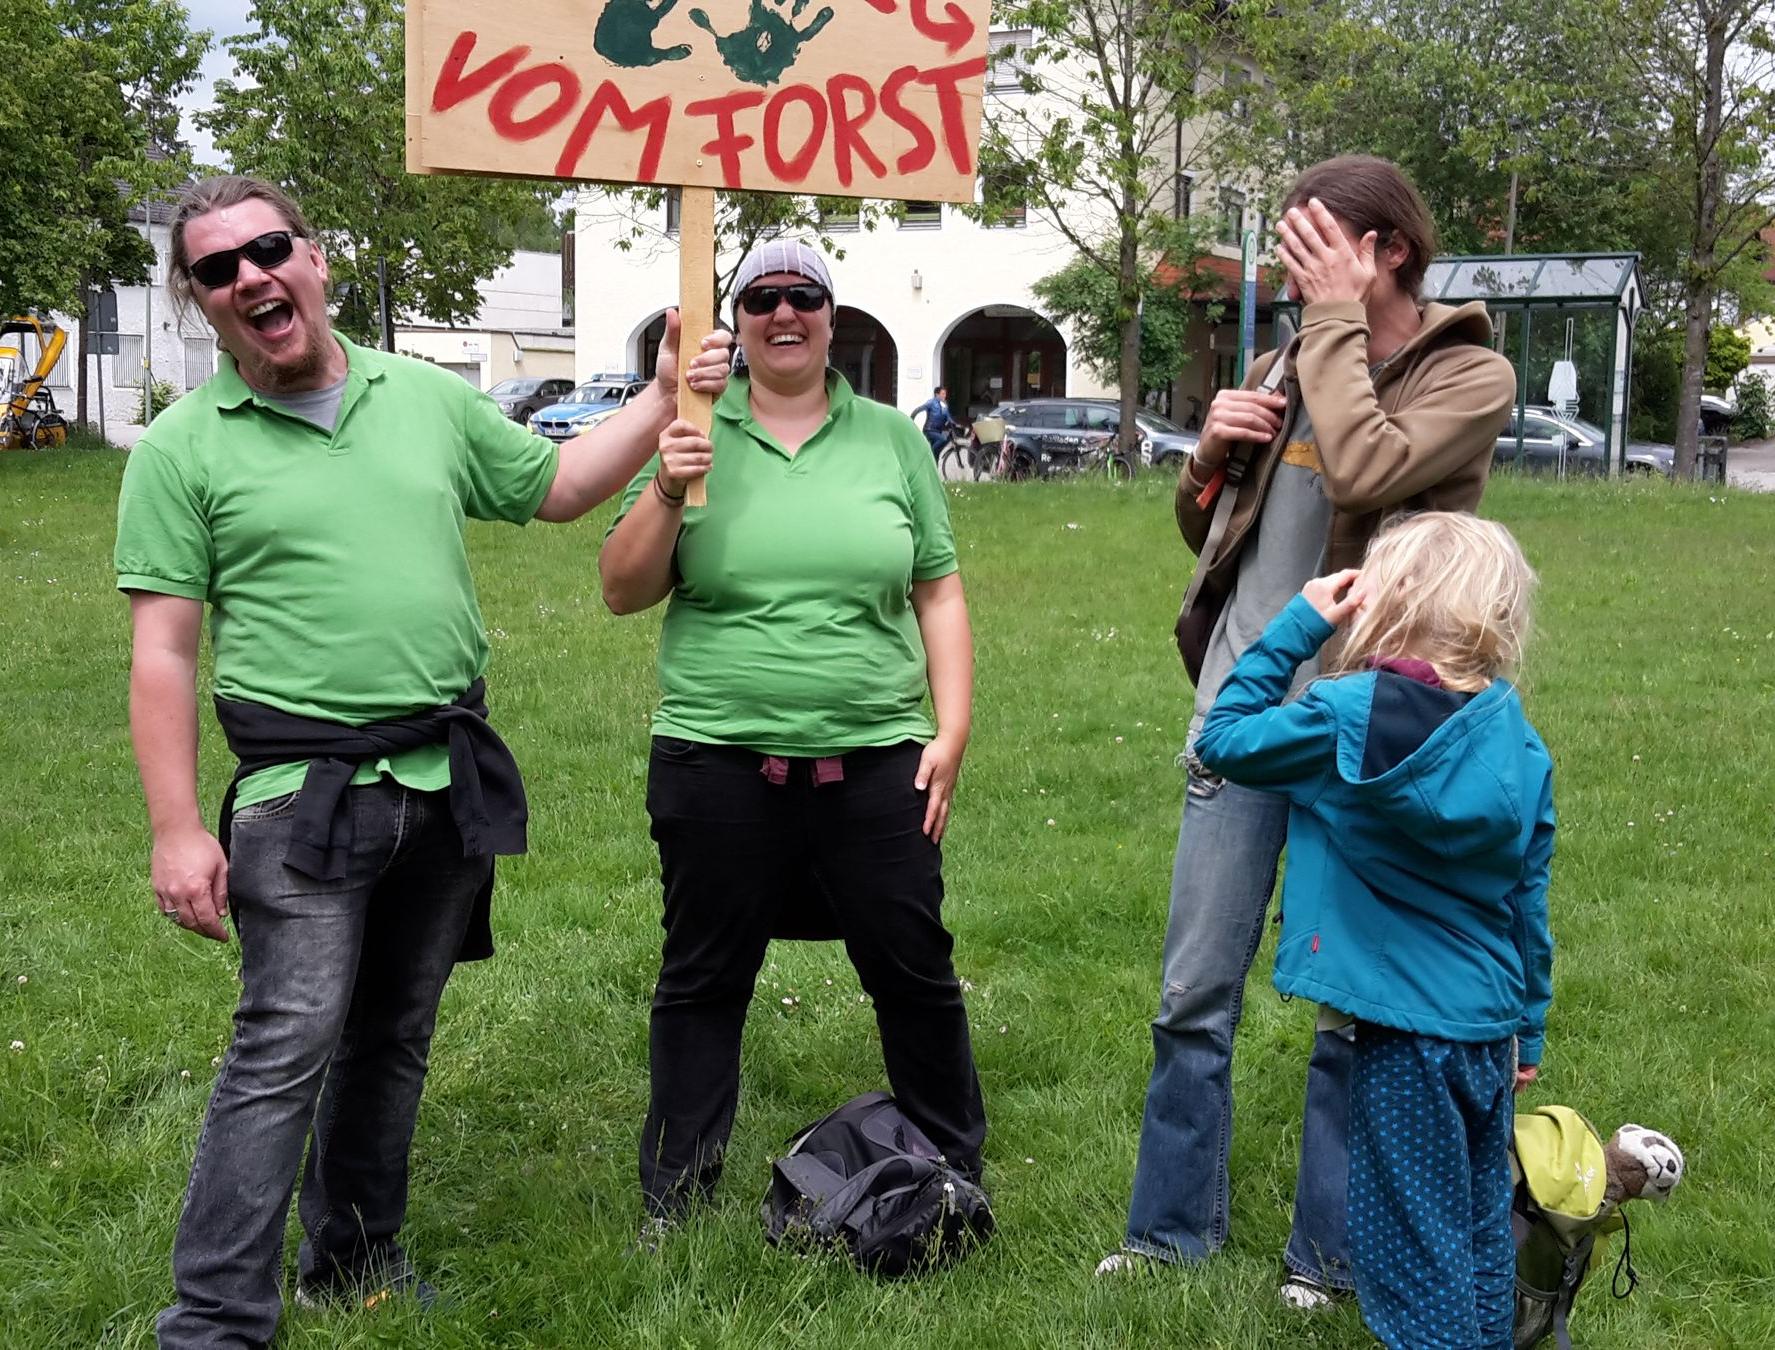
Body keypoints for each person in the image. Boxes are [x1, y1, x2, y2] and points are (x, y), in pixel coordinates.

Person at [114, 174, 730, 1349]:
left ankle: (354, 1258)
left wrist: (658, 403)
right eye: (216, 269)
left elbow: (552, 489)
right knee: (283, 1044)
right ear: (201, 302)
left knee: (393, 1034)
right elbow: (163, 650)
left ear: (316, 259)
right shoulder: (185, 448)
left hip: (444, 780)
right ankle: (214, 1317)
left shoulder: (422, 398)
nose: (250, 276)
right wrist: (176, 824)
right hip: (302, 795)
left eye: (268, 249)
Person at [1100, 155, 1519, 1301]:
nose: (1290, 269)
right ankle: (1165, 1236)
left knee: (1353, 1011)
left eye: (1312, 246)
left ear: (1386, 250)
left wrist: (1330, 330)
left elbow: (1370, 463)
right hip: (1240, 714)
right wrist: (1206, 458)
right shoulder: (1284, 359)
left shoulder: (1469, 377)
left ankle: (1327, 1262)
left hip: (1369, 734)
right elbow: (1216, 539)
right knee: (1191, 992)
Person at [598, 239, 986, 1236]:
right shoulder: (693, 428)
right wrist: (661, 485)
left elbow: (936, 589)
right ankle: (674, 1201)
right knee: (701, 977)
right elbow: (620, 589)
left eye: (803, 296)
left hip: (874, 760)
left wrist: (949, 729)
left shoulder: (891, 441)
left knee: (912, 969)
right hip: (716, 760)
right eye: (762, 297)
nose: (784, 313)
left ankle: (951, 1173)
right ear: (735, 316)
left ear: (830, 315)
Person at [1193, 512, 1554, 1349]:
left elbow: (1222, 738)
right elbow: (1526, 902)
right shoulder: (1516, 738)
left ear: (1381, 605)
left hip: (1402, 1041)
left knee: (1407, 1259)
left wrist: (1298, 623)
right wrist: (1528, 1026)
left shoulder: (1343, 716)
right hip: (1486, 1037)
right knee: (1471, 1237)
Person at [912, 384, 955, 458]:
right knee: (943, 439)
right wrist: (911, 419)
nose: (944, 396)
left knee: (937, 453)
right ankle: (929, 453)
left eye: (945, 394)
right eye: (943, 394)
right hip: (929, 430)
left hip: (938, 431)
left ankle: (934, 467)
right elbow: (918, 409)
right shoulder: (931, 402)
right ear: (937, 394)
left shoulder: (944, 405)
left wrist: (955, 424)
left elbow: (949, 417)